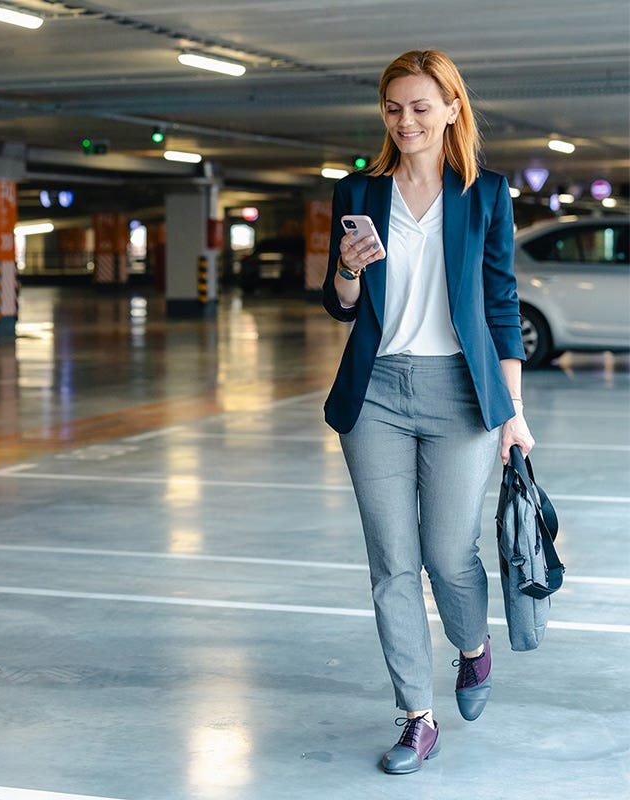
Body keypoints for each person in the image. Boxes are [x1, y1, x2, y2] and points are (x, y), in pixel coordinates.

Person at [321, 49, 535, 775]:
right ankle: (417, 714)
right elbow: (339, 304)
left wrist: (514, 412)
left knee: (448, 556)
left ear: (451, 109)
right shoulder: (359, 189)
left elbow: (502, 306)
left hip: (463, 392)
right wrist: (349, 267)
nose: (405, 120)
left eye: (419, 107)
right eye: (393, 108)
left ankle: (473, 650)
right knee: (391, 563)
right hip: (376, 389)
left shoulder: (485, 195)